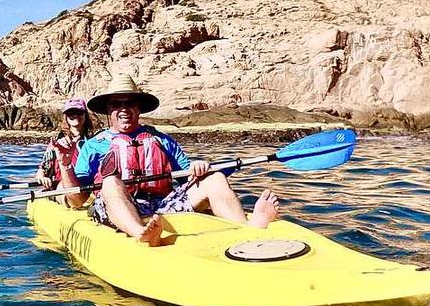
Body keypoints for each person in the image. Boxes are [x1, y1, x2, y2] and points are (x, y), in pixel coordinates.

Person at [57, 74, 279, 246]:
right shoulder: (93, 145)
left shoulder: (160, 139)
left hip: (163, 205)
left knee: (215, 177)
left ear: (139, 108)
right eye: (117, 104)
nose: (124, 109)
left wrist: (198, 167)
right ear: (108, 109)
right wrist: (65, 165)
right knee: (110, 182)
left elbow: (188, 178)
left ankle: (247, 227)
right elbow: (77, 201)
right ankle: (140, 233)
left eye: (130, 103)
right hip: (118, 207)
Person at [34, 97, 96, 190]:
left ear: (85, 115)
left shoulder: (94, 140)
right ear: (66, 117)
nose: (75, 116)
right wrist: (42, 178)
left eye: (79, 112)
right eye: (71, 113)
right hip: (63, 186)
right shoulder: (57, 141)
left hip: (88, 186)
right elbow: (43, 168)